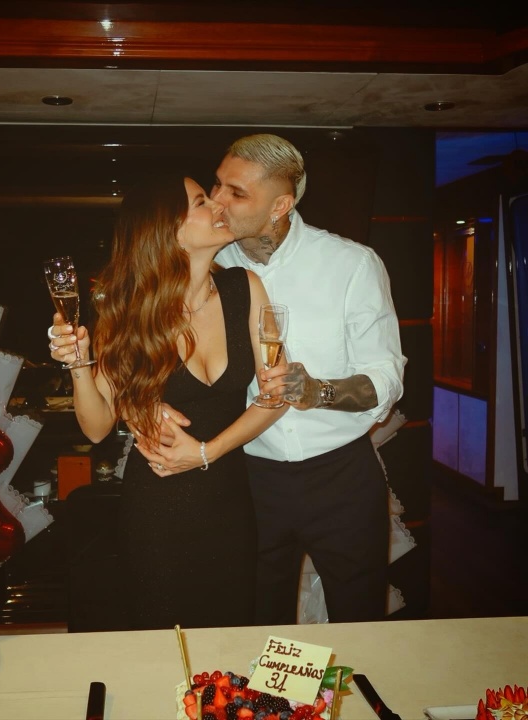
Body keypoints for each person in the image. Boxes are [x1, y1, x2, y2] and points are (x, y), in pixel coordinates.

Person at [151, 134, 407, 625]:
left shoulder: (351, 265)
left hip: (340, 476)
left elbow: (386, 376)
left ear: (280, 206)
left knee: (360, 621)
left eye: (237, 192)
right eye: (216, 185)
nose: (217, 201)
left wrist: (318, 391)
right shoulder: (210, 264)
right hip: (246, 478)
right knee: (253, 620)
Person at [48, 172, 287, 630]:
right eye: (201, 202)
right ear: (168, 231)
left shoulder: (245, 288)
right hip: (157, 510)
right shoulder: (130, 309)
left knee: (230, 638)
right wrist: (79, 363)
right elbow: (96, 428)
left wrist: (206, 452)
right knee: (162, 642)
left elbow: (277, 394)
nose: (218, 206)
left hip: (230, 504)